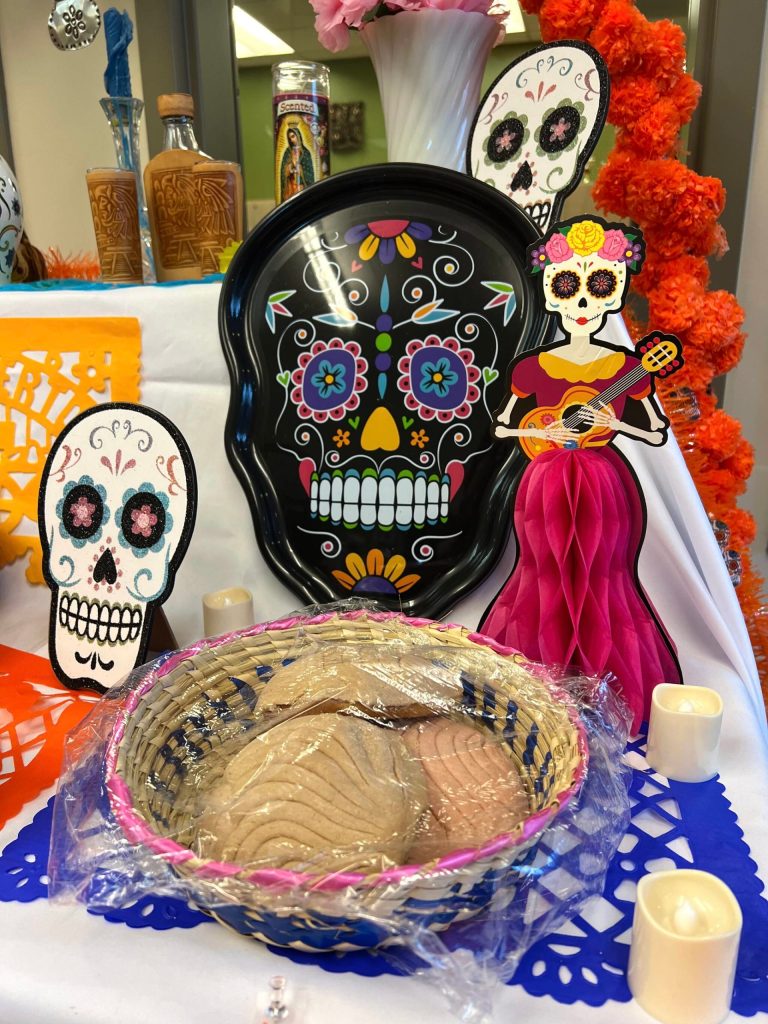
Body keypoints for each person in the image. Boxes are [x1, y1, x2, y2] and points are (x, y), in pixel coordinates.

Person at [480, 217, 682, 730]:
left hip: (600, 485)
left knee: (603, 574)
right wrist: (546, 435)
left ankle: (609, 686)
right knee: (540, 573)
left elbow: (656, 434)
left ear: (613, 290)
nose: (584, 301)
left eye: (599, 285)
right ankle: (539, 682)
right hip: (545, 483)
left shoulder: (625, 368)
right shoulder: (533, 367)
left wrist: (614, 421)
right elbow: (505, 429)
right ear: (552, 291)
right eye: (568, 285)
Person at [280, 125, 315, 199]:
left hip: (301, 186)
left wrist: (301, 170)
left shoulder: (305, 153)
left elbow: (310, 174)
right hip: (291, 186)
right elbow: (283, 172)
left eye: (293, 136)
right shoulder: (288, 152)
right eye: (290, 138)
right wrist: (288, 168)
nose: (291, 140)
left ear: (298, 136)